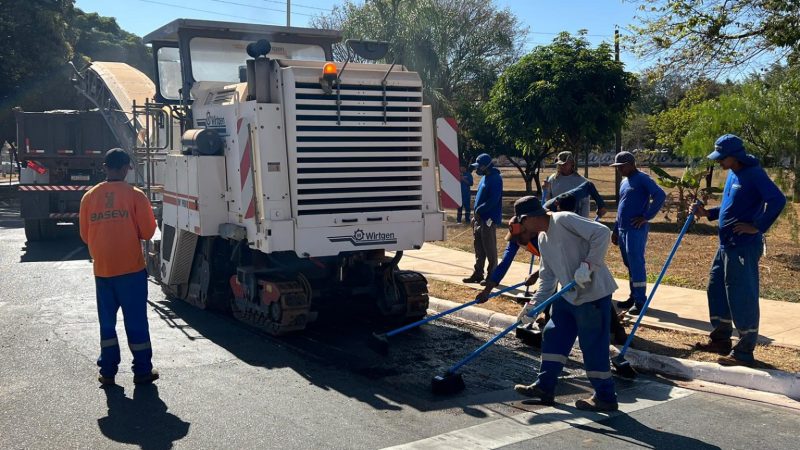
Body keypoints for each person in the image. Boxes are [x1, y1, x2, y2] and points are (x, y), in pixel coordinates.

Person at [507, 196, 619, 412]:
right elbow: (547, 277)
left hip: (592, 295)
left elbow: (602, 233)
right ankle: (544, 387)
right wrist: (534, 305)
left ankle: (605, 396)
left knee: (593, 346)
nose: (521, 230)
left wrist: (588, 265)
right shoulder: (542, 239)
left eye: (521, 224)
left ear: (528, 218)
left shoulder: (563, 219)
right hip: (566, 297)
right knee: (553, 338)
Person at [693, 134, 786, 367]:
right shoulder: (733, 173)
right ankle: (721, 339)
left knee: (741, 294)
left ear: (734, 156)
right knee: (715, 288)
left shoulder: (754, 174)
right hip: (725, 244)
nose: (719, 162)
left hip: (743, 246)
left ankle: (744, 351)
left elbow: (778, 200)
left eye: (722, 158)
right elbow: (729, 206)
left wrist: (757, 226)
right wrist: (709, 214)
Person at [79, 148, 159, 385]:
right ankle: (142, 370)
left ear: (105, 167)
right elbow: (148, 232)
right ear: (126, 168)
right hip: (131, 271)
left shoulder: (89, 197)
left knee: (107, 324)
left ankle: (108, 372)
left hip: (102, 272)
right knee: (136, 322)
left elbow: (85, 235)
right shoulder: (136, 196)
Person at [611, 151, 666, 316]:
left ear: (631, 164)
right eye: (617, 167)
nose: (619, 169)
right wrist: (615, 229)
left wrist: (646, 217)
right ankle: (633, 296)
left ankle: (641, 301)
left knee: (636, 263)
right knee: (629, 265)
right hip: (622, 229)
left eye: (621, 166)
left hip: (635, 229)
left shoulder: (643, 178)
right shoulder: (624, 181)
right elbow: (621, 206)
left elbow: (660, 195)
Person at [462, 153, 503, 285]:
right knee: (479, 249)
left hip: (488, 219)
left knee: (489, 249)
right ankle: (478, 273)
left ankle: (492, 276)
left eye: (479, 167)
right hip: (479, 219)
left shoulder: (496, 178)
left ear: (486, 166)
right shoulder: (484, 178)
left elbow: (494, 199)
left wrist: (480, 210)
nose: (477, 169)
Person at [544, 151, 593, 218]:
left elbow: (585, 203)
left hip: (575, 219)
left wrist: (583, 220)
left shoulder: (581, 181)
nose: (562, 166)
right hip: (556, 218)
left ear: (572, 163)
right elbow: (548, 199)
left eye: (564, 164)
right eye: (560, 164)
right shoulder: (552, 179)